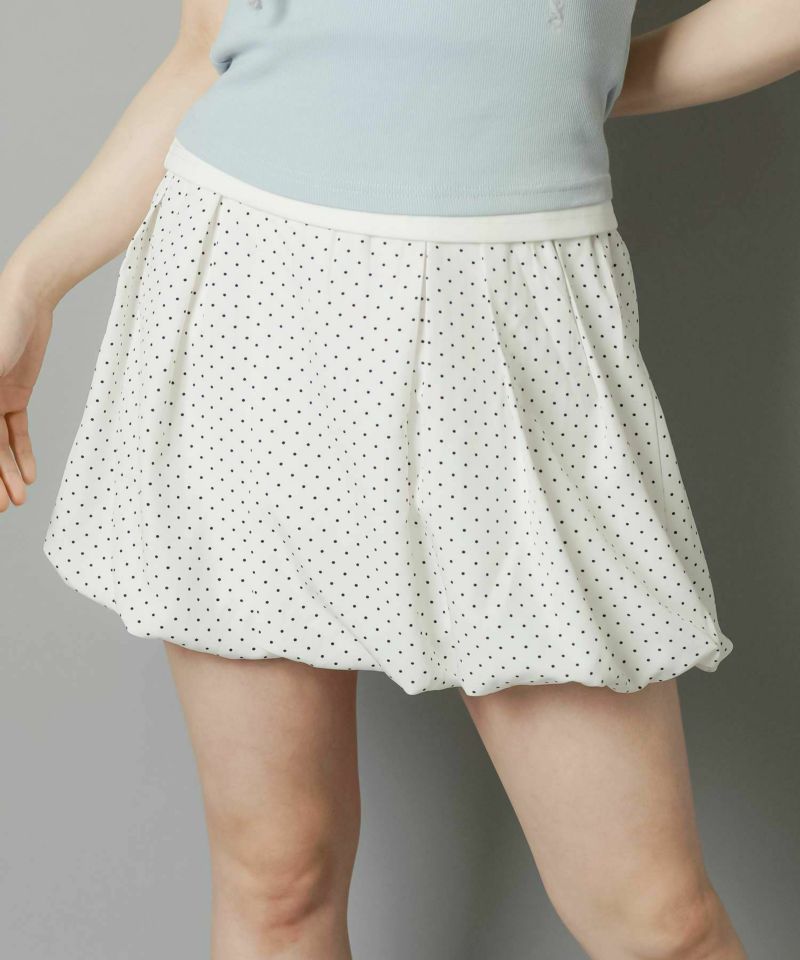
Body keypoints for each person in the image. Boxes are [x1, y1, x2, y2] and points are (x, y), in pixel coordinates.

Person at [2, 1, 797, 957]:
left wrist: (578, 73)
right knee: (280, 877)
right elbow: (210, 49)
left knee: (659, 919)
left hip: (511, 327)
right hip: (254, 305)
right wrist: (28, 283)